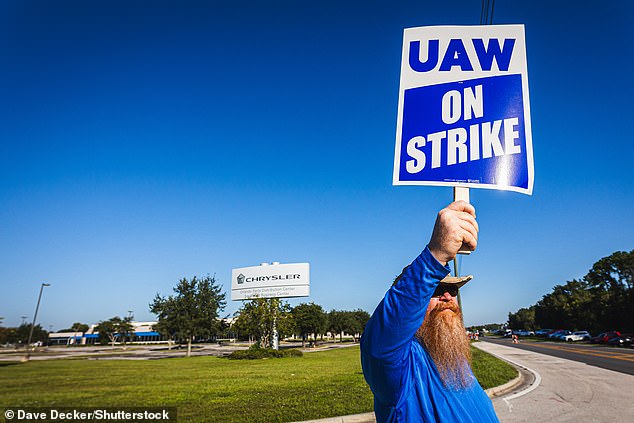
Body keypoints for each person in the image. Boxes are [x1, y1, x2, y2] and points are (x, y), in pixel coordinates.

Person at [360, 201, 499, 422]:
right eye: (435, 290)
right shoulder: (402, 366)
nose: (447, 297)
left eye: (452, 289)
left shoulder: (451, 355)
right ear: (414, 301)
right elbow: (382, 344)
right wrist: (437, 254)